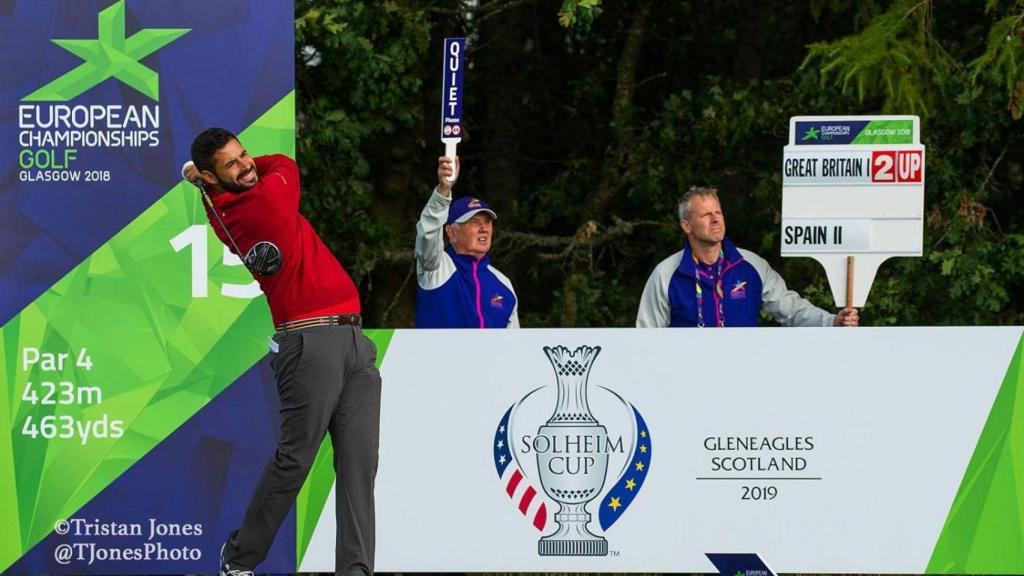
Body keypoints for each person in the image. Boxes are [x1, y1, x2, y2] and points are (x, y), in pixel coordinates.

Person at [183, 128, 381, 576]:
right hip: (309, 344)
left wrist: (204, 177)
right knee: (295, 460)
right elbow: (284, 165)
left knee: (359, 463)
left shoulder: (219, 206)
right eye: (231, 164)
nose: (247, 164)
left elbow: (252, 171)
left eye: (243, 154)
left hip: (352, 341)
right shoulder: (262, 205)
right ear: (213, 180)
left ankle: (355, 569)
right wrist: (201, 176)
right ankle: (238, 559)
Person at [637, 186, 859, 328]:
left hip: (744, 378)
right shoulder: (666, 274)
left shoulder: (750, 265)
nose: (716, 220)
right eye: (705, 215)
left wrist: (832, 321)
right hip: (685, 380)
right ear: (687, 225)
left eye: (718, 212)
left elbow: (791, 310)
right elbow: (645, 338)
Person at [414, 156, 519, 328]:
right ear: (451, 232)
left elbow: (514, 347)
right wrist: (443, 191)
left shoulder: (503, 283)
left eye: (487, 222)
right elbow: (427, 232)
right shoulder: (435, 267)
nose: (484, 228)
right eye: (474, 222)